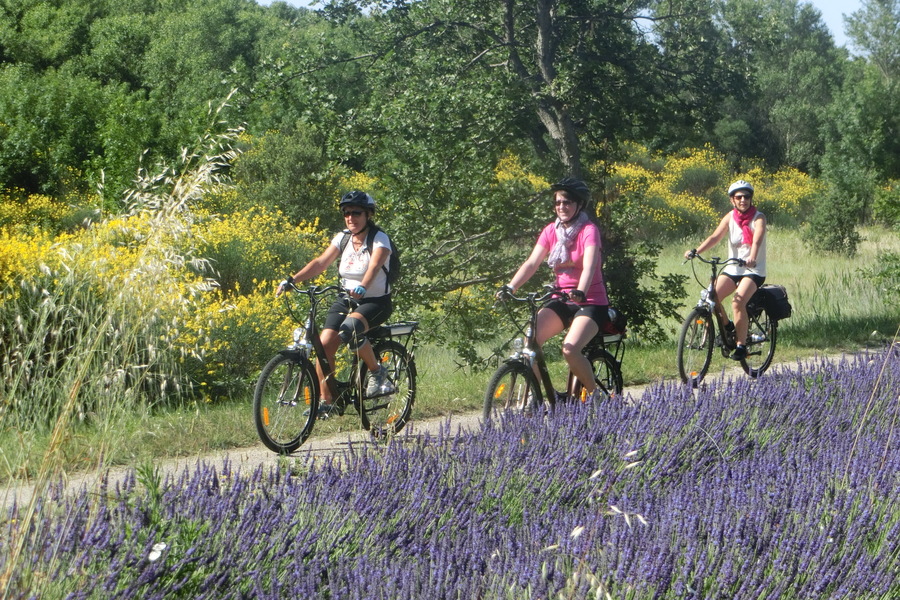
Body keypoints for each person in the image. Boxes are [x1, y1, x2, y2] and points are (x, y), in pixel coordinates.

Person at [277, 191, 394, 417]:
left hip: (375, 301)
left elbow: (375, 266)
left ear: (368, 214)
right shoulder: (343, 238)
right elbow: (321, 262)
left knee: (350, 329)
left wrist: (364, 286)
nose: (351, 218)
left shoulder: (380, 238)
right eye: (346, 213)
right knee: (324, 344)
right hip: (347, 299)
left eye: (356, 213)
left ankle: (377, 371)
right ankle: (327, 400)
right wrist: (292, 280)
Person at [499, 177, 610, 402]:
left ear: (579, 205)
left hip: (590, 301)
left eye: (567, 202)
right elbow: (532, 263)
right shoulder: (551, 231)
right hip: (562, 297)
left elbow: (590, 265)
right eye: (558, 202)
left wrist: (580, 290)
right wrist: (510, 287)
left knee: (569, 349)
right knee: (532, 339)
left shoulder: (589, 230)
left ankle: (596, 396)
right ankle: (535, 397)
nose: (562, 207)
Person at [684, 180, 767, 360]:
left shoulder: (758, 217)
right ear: (732, 200)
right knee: (711, 296)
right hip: (733, 268)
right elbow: (715, 237)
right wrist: (696, 251)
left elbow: (757, 239)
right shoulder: (730, 217)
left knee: (737, 302)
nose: (743, 200)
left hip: (753, 270)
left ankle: (741, 345)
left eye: (747, 196)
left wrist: (752, 256)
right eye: (739, 197)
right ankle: (729, 327)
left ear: (751, 199)